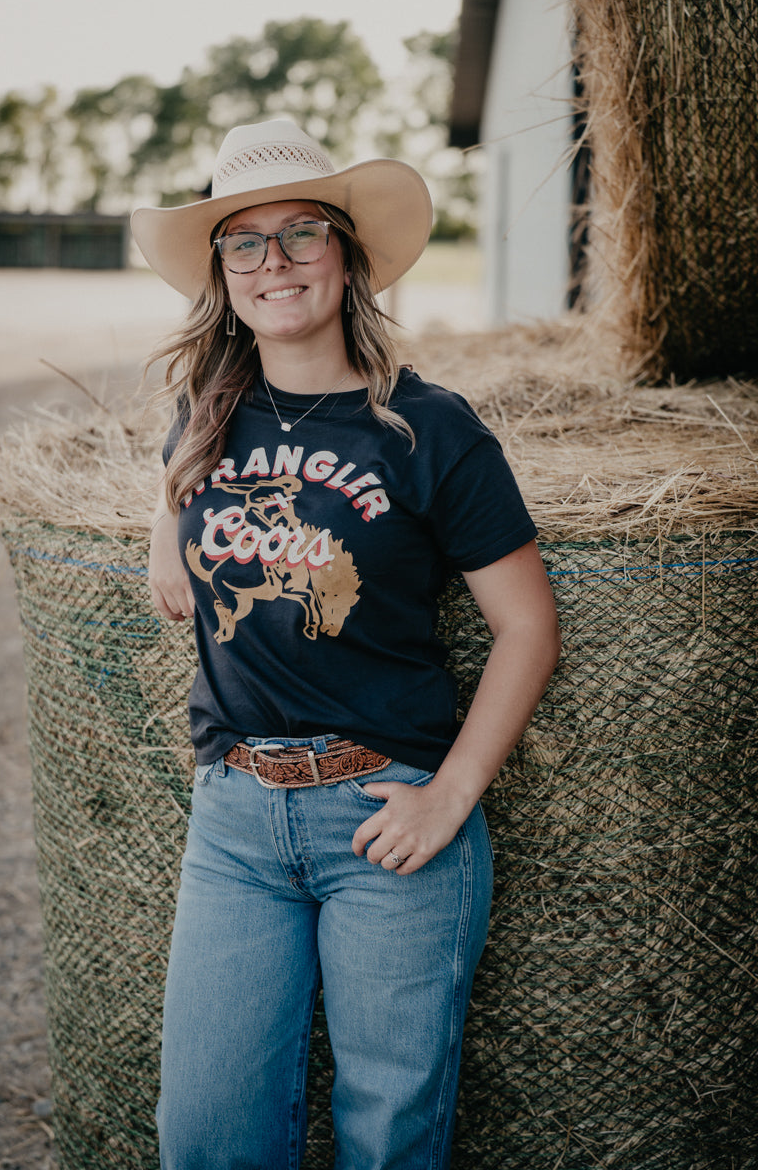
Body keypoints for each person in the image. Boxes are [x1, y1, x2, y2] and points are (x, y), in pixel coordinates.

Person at [131, 118, 560, 1170]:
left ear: (350, 257)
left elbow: (524, 625)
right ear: (222, 274)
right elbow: (190, 491)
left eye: (302, 233)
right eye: (245, 241)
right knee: (207, 1142)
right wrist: (162, 531)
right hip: (232, 823)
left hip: (384, 821)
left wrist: (450, 797)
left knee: (386, 1145)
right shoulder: (200, 413)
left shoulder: (427, 430)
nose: (273, 262)